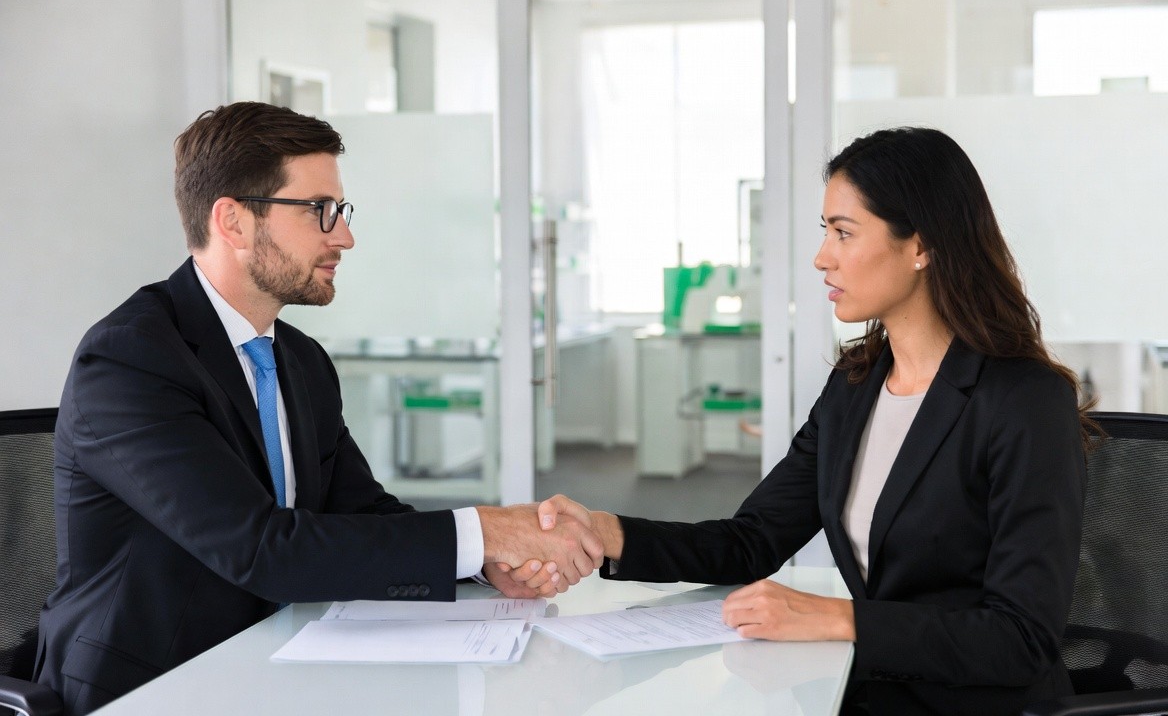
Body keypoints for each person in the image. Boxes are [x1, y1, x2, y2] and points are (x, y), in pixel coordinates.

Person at [35, 101, 597, 716]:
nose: (345, 236)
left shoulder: (299, 359)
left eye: (342, 211)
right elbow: (260, 549)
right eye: (319, 211)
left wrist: (486, 563)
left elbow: (362, 513)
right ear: (233, 221)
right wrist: (485, 529)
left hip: (280, 661)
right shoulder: (131, 361)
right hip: (156, 686)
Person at [538, 127, 1091, 716]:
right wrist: (607, 533)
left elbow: (1020, 640)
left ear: (921, 247)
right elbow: (750, 541)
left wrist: (837, 617)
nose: (822, 256)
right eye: (825, 230)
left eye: (844, 233)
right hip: (863, 689)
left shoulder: (1023, 401)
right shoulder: (856, 385)